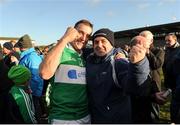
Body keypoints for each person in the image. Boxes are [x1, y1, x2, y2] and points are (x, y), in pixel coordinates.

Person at [86, 28, 150, 123]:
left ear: (111, 44)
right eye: (96, 42)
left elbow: (134, 87)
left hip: (116, 119)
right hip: (94, 118)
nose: (99, 45)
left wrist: (139, 64)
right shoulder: (89, 60)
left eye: (103, 41)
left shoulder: (118, 62)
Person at [39, 19, 93, 124]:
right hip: (62, 117)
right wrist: (64, 39)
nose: (84, 38)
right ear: (72, 32)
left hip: (85, 115)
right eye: (80, 33)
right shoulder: (60, 50)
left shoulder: (86, 55)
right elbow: (44, 73)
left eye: (88, 36)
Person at [129, 31, 166, 123]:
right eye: (140, 37)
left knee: (152, 112)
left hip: (153, 86)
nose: (141, 41)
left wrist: (147, 51)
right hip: (139, 87)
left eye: (144, 38)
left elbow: (156, 64)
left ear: (151, 40)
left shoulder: (159, 51)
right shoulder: (136, 51)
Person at [15, 34, 43, 123]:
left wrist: (29, 91)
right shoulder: (28, 55)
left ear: (22, 46)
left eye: (19, 46)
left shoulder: (32, 57)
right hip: (29, 90)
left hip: (32, 92)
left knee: (34, 113)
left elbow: (36, 77)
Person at [163, 33, 180, 123]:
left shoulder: (179, 50)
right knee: (173, 104)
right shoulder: (167, 50)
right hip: (170, 82)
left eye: (169, 40)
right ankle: (174, 120)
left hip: (177, 82)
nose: (167, 42)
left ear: (175, 40)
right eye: (166, 40)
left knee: (176, 103)